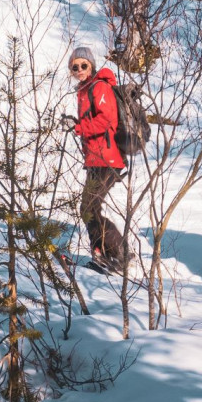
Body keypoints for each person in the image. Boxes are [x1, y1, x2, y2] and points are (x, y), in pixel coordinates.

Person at [65, 46, 128, 271]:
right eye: (75, 66)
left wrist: (80, 127)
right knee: (88, 209)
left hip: (107, 159)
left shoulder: (99, 87)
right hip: (96, 159)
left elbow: (106, 120)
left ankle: (120, 253)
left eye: (84, 65)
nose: (79, 69)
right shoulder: (84, 90)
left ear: (91, 66)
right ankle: (101, 252)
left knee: (89, 208)